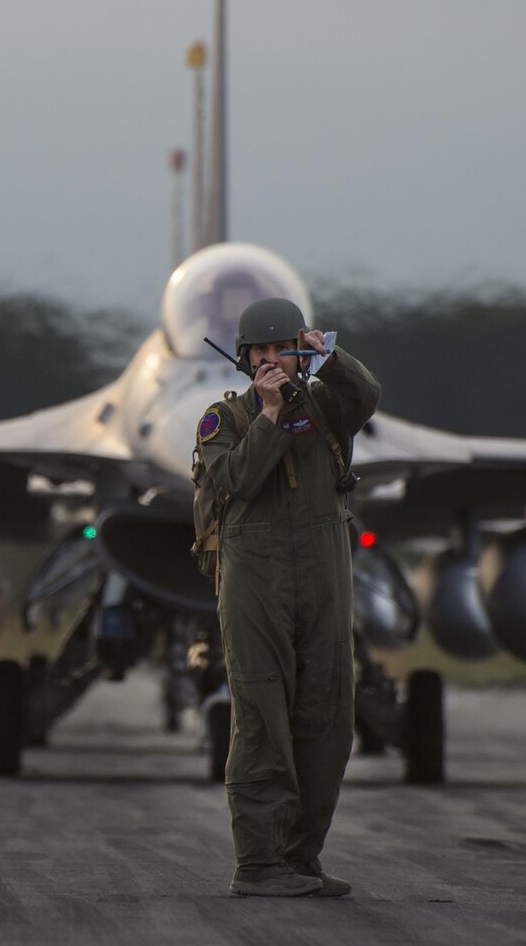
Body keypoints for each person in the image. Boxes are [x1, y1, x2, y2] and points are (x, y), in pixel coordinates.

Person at [195, 297, 381, 898]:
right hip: (256, 576)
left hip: (325, 570)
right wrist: (272, 417)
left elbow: (366, 396)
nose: (272, 360)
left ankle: (301, 859)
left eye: (284, 349)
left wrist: (331, 358)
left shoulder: (329, 409)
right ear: (244, 359)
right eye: (261, 352)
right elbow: (237, 482)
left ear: (300, 354)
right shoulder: (224, 422)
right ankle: (259, 865)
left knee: (327, 717)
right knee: (262, 717)